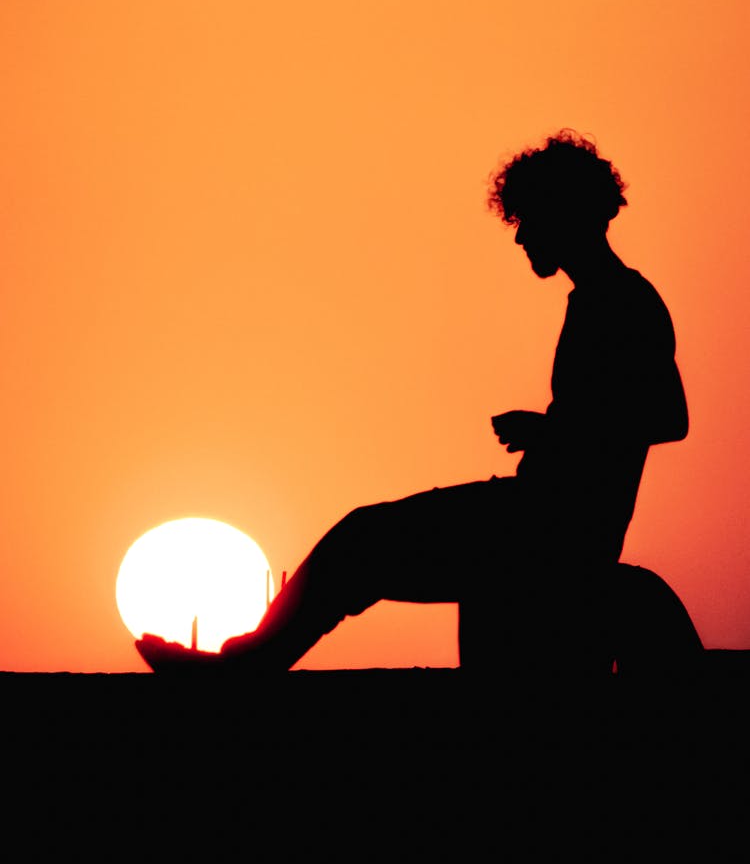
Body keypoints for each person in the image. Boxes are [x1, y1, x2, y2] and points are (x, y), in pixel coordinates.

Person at [137, 130, 688, 675]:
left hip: (552, 528)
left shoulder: (622, 303)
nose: (520, 239)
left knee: (360, 542)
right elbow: (620, 417)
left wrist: (549, 434)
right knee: (364, 546)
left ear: (566, 214)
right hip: (536, 513)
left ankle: (245, 669)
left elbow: (668, 418)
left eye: (528, 220)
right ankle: (249, 663)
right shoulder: (598, 300)